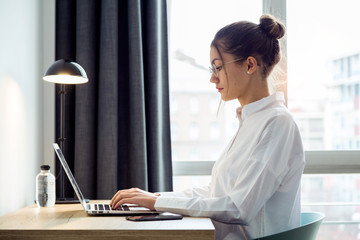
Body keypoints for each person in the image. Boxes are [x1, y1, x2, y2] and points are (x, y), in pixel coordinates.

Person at [110, 14, 305, 240]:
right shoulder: (251, 121)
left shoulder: (278, 124)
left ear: (250, 65)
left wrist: (158, 202)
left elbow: (238, 207)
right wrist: (156, 198)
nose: (213, 79)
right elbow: (216, 192)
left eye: (218, 67)